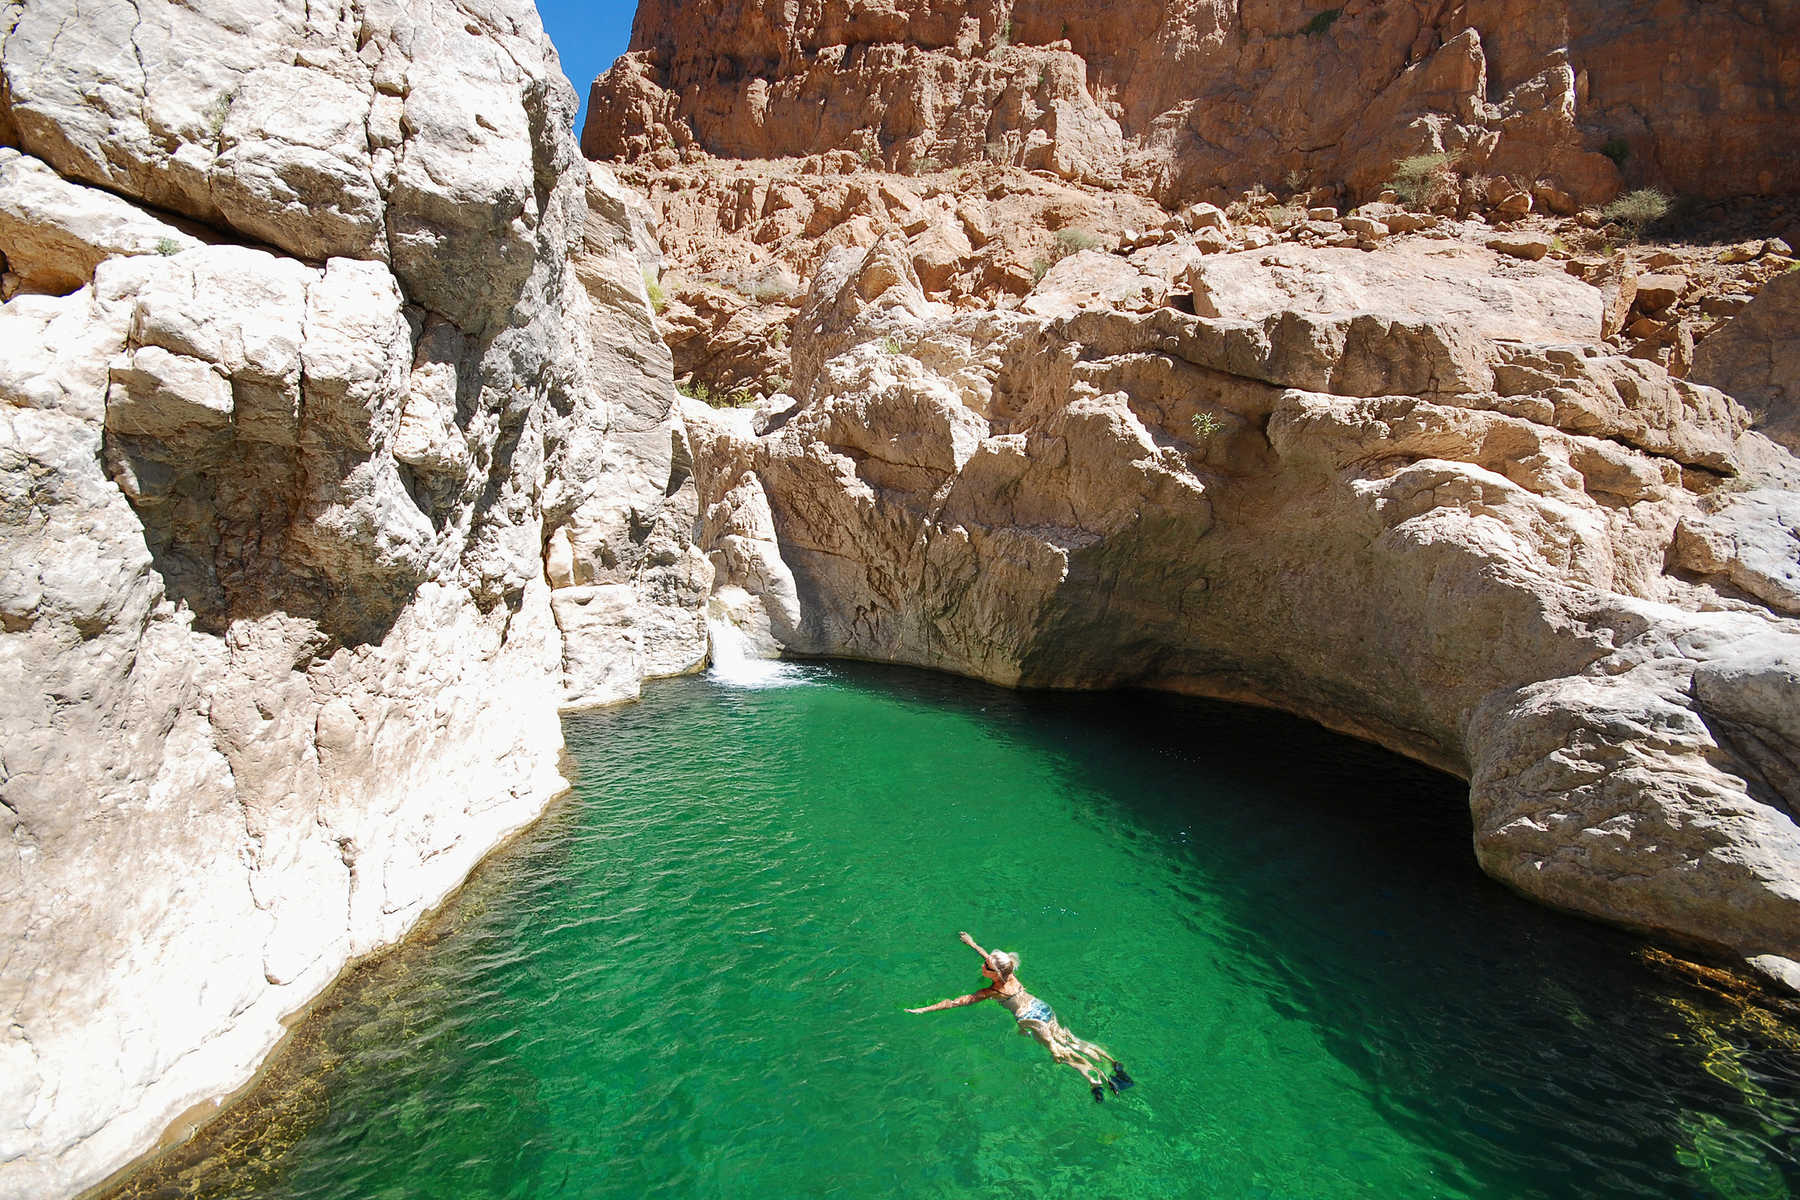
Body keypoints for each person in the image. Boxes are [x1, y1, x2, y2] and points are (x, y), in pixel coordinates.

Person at [906, 931, 1135, 1101]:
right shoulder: (1009, 973)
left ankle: (1097, 1082)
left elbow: (955, 1002)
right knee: (1070, 1040)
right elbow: (991, 959)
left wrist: (924, 1010)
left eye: (986, 965)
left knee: (1063, 1055)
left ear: (994, 973)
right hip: (1042, 1008)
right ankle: (1114, 1065)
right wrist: (972, 943)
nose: (983, 964)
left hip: (1031, 1020)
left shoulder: (992, 991)